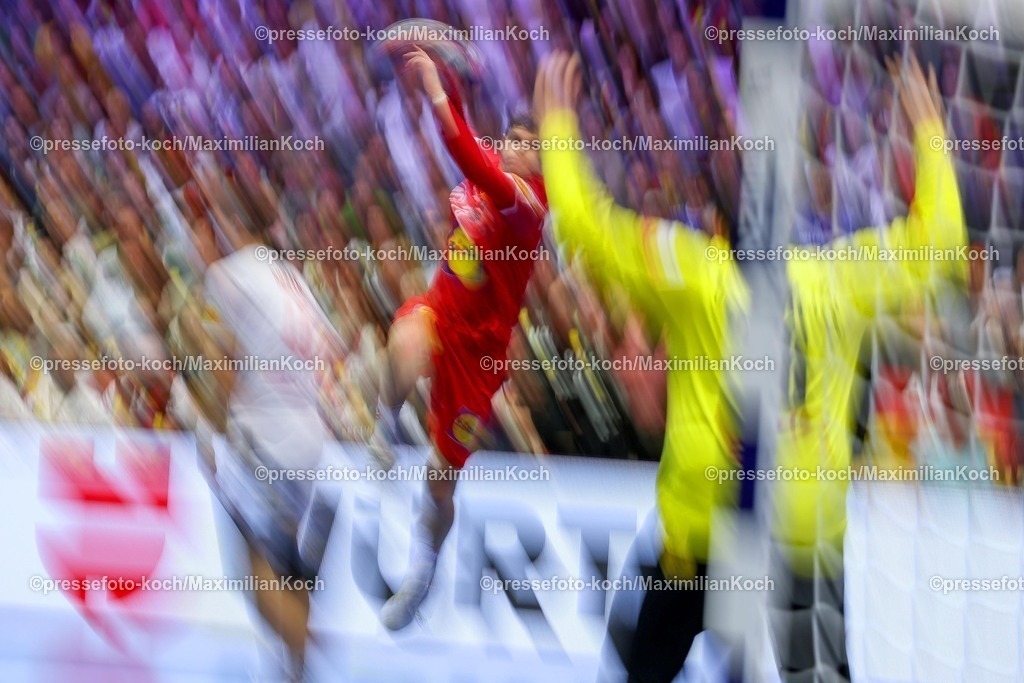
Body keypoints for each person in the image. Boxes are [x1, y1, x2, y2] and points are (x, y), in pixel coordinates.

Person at [534, 53, 749, 682]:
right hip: (778, 548)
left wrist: (558, 128)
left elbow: (587, 228)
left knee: (633, 663)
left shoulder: (698, 272)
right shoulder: (822, 285)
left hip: (696, 545)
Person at [772, 53, 965, 679]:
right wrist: (930, 133)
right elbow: (940, 243)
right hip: (807, 516)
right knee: (816, 666)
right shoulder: (839, 275)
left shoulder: (715, 273)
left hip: (727, 512)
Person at [374, 45, 548, 630]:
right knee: (404, 340)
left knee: (438, 483)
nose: (519, 148)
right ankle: (383, 425)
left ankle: (423, 569)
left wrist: (432, 84)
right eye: (514, 139)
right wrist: (442, 70)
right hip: (441, 314)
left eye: (532, 145)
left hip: (479, 361)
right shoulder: (490, 173)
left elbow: (460, 143)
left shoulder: (523, 203)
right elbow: (469, 129)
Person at [198, 224, 342, 681]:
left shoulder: (229, 276)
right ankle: (295, 670)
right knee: (289, 570)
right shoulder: (295, 284)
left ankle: (310, 657)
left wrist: (212, 430)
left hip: (263, 439)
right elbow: (330, 358)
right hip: (306, 441)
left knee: (255, 577)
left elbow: (220, 361)